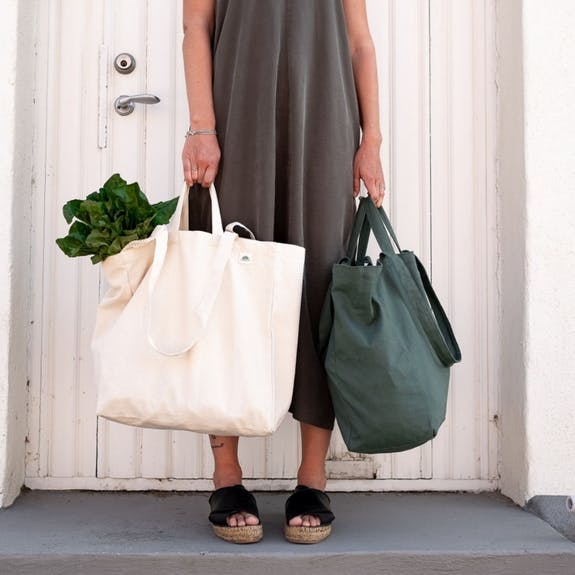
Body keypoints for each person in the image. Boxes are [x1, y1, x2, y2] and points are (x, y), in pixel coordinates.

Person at [181, 0, 385, 544]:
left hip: (325, 127)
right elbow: (196, 27)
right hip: (236, 128)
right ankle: (227, 476)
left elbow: (360, 43)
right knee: (228, 294)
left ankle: (312, 479)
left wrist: (371, 141)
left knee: (322, 289)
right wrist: (201, 127)